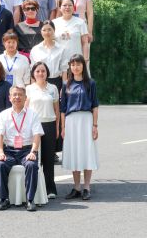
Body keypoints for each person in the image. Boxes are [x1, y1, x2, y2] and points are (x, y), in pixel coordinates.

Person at [0, 86, 42, 212]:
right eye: (14, 95)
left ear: (25, 98)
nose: (17, 97)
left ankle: (30, 200)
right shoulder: (4, 114)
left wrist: (33, 152)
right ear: (9, 98)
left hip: (27, 150)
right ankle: (4, 199)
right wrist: (0, 152)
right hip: (9, 150)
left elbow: (37, 135)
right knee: (0, 165)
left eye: (20, 95)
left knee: (31, 165)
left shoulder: (33, 114)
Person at [58, 56, 98, 200]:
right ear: (70, 67)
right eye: (73, 65)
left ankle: (86, 187)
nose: (75, 67)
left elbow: (95, 105)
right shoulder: (66, 84)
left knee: (87, 152)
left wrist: (95, 125)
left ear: (83, 66)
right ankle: (76, 187)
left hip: (86, 119)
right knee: (74, 152)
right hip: (71, 121)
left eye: (78, 64)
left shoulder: (90, 83)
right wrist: (63, 127)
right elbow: (63, 109)